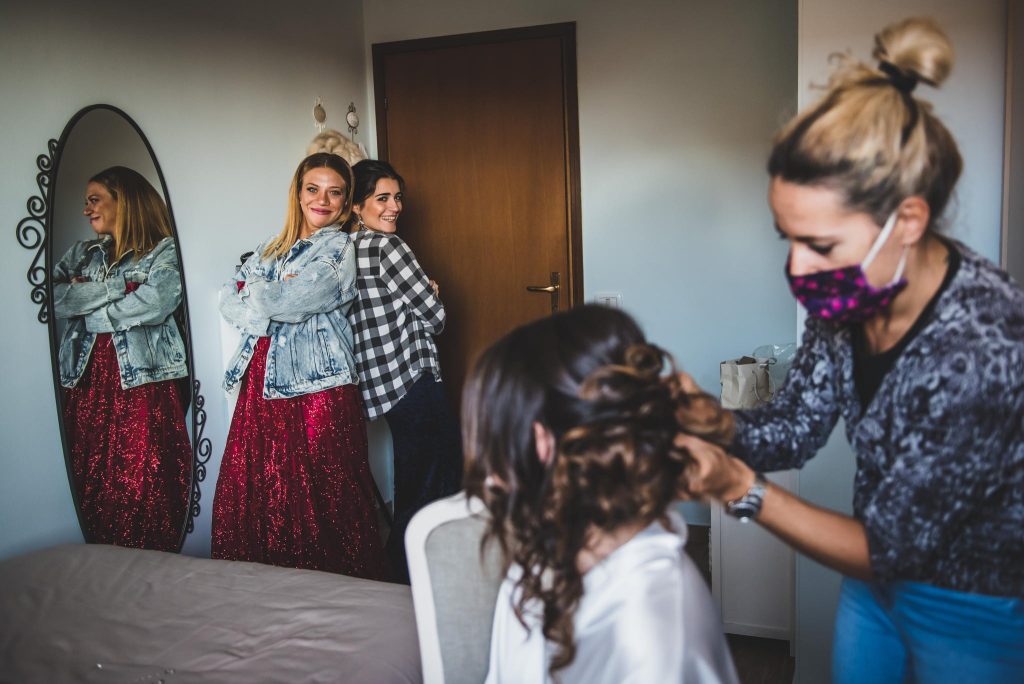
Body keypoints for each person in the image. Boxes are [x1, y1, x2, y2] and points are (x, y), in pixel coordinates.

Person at [680, 18, 1024, 683]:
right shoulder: (844, 301)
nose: (798, 268)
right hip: (873, 588)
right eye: (787, 237)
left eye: (821, 244)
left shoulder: (986, 344)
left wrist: (739, 488)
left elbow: (892, 547)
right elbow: (794, 428)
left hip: (974, 608)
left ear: (908, 221)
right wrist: (709, 420)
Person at [463, 305, 739, 684]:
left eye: (494, 446)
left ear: (542, 443)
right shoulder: (548, 554)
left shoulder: (654, 642)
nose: (491, 479)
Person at [213, 152, 389, 580]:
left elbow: (291, 300)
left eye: (334, 192)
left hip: (319, 386)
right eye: (313, 189)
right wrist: (269, 296)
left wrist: (262, 291)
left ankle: (345, 595)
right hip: (262, 383)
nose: (322, 200)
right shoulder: (269, 248)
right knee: (269, 493)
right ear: (297, 193)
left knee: (328, 497)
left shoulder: (339, 247)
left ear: (345, 202)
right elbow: (227, 299)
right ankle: (273, 592)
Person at [53, 165, 191, 551]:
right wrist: (119, 286)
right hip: (87, 377)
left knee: (142, 472)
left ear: (124, 202)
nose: (87, 210)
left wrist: (91, 306)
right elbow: (55, 299)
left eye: (94, 200)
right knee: (90, 469)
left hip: (141, 378)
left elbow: (157, 300)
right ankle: (102, 561)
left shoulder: (164, 249)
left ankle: (151, 557)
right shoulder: (82, 253)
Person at [347, 159, 462, 582]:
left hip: (381, 384)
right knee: (437, 479)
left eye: (397, 197)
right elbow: (437, 318)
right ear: (357, 206)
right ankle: (416, 571)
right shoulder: (389, 248)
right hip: (412, 378)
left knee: (413, 477)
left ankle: (403, 569)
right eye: (382, 198)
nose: (394, 206)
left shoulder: (345, 248)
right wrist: (431, 293)